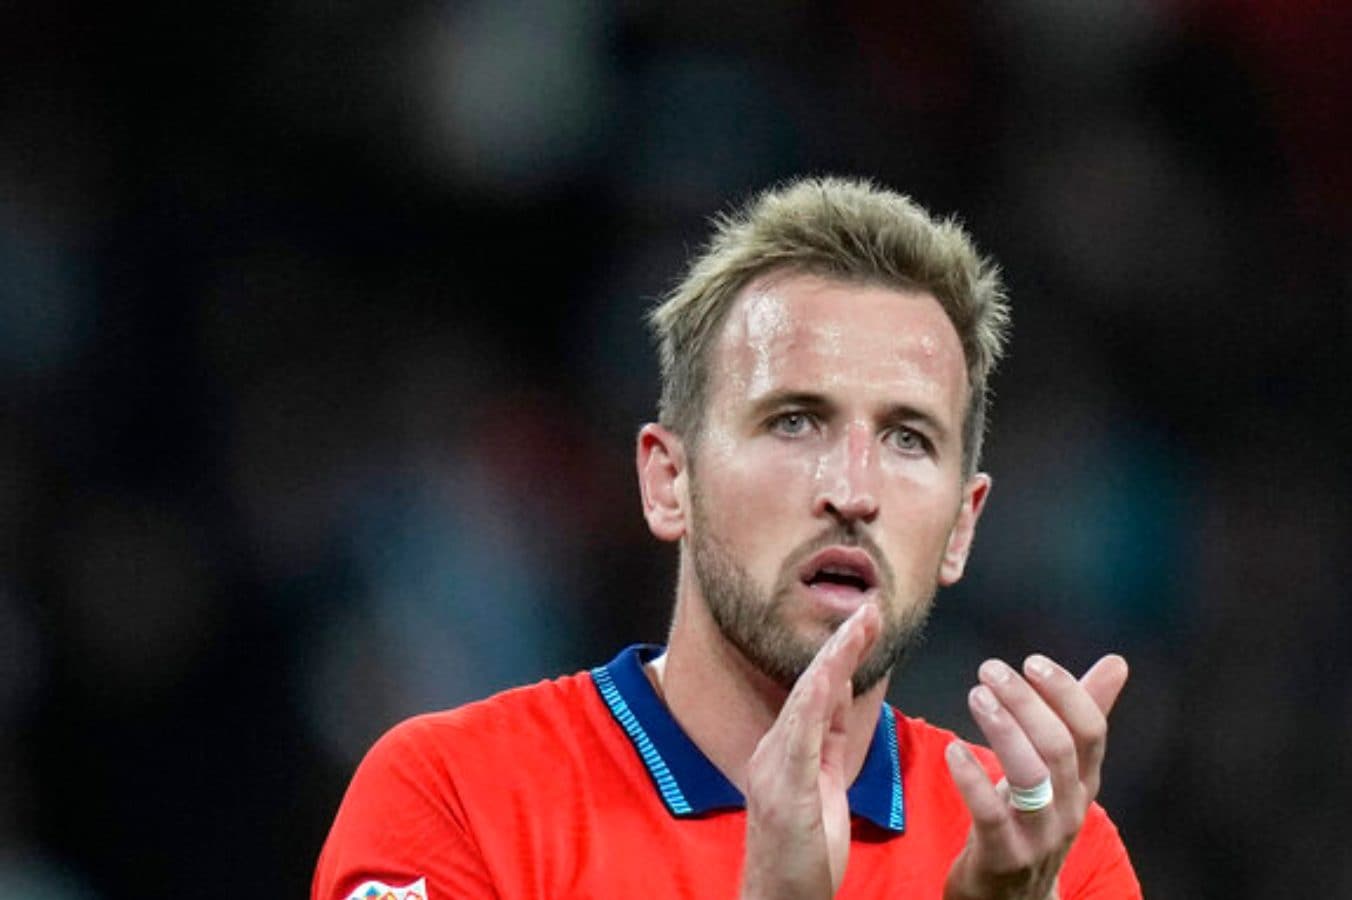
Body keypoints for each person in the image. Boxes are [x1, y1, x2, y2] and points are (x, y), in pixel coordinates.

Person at [312, 177, 1140, 899]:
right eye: (794, 421)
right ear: (668, 482)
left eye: (908, 439)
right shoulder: (454, 796)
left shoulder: (1050, 861)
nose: (852, 492)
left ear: (961, 527)